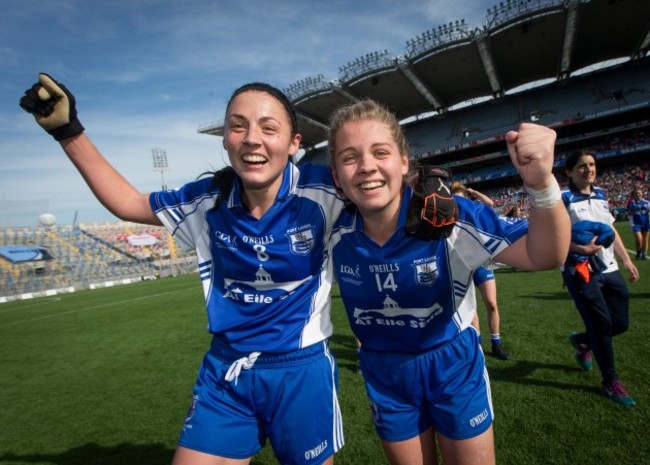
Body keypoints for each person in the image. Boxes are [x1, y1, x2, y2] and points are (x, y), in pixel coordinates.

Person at [19, 74, 348, 465]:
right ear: (225, 139)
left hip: (301, 371)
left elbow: (381, 186)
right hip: (228, 372)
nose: (252, 139)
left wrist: (424, 190)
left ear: (294, 143)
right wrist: (68, 131)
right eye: (237, 126)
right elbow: (128, 202)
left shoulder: (326, 189)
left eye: (269, 128)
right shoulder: (207, 200)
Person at [328, 99, 570, 465]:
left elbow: (545, 255)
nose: (367, 167)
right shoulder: (330, 232)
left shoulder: (447, 216)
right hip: (386, 373)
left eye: (381, 152)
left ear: (405, 162)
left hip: (452, 366)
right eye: (349, 158)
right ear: (335, 176)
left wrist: (541, 185)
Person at [562, 150, 640, 407]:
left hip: (609, 267)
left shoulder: (602, 194)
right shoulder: (563, 200)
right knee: (602, 326)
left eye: (592, 164)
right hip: (581, 271)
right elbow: (554, 238)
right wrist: (580, 250)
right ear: (569, 172)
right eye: (582, 166)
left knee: (621, 323)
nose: (588, 169)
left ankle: (583, 341)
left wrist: (626, 259)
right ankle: (610, 381)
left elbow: (610, 227)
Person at [450, 183, 510, 360]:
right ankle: (479, 344)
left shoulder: (475, 213)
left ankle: (496, 343)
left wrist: (473, 192)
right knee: (471, 308)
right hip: (462, 266)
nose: (460, 201)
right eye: (456, 198)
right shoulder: (450, 216)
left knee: (491, 303)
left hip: (482, 265)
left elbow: (490, 205)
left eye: (463, 198)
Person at [626, 187, 649, 260]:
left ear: (642, 194)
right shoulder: (632, 203)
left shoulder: (647, 202)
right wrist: (632, 209)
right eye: (636, 193)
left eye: (639, 193)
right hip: (636, 223)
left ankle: (644, 254)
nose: (638, 194)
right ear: (634, 195)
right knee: (639, 239)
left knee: (645, 239)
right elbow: (628, 214)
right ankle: (639, 250)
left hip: (646, 223)